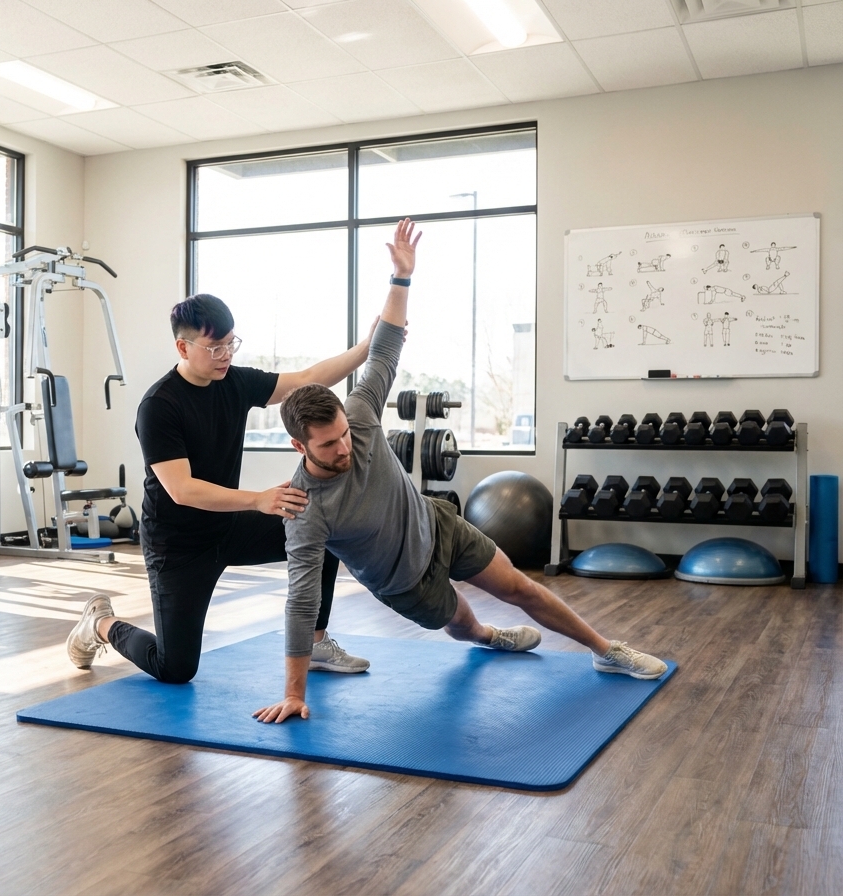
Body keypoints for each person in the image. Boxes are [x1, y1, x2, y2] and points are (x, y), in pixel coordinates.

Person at [253, 218, 668, 724]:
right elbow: (301, 602)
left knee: (519, 587)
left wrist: (402, 277)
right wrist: (294, 693)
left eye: (343, 434)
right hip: (405, 583)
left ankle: (608, 651)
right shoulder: (303, 508)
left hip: (437, 526)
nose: (345, 447)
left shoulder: (359, 416)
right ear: (298, 446)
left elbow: (385, 347)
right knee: (466, 626)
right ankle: (489, 639)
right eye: (328, 445)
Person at [65, 293, 374, 682]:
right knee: (175, 668)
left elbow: (304, 380)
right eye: (215, 347)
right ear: (183, 346)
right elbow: (183, 490)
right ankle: (101, 624)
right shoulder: (159, 406)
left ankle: (314, 643)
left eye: (231, 343)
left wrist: (364, 350)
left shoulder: (235, 382)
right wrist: (259, 500)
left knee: (322, 532)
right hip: (177, 545)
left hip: (227, 526)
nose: (226, 354)